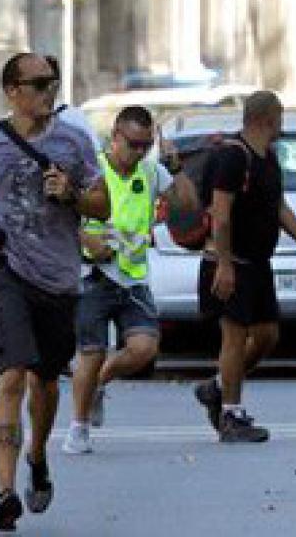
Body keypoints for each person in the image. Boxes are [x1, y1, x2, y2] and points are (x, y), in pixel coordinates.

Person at [0, 53, 108, 532]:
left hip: (59, 277)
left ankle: (37, 455)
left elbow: (103, 204)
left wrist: (72, 192)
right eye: (38, 84)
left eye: (52, 83)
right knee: (11, 376)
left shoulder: (74, 140)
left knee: (46, 382)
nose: (48, 92)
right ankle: (5, 491)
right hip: (7, 270)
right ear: (12, 90)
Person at [193, 91, 296, 443]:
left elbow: (279, 208)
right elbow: (221, 215)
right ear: (266, 118)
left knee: (268, 335)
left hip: (257, 264)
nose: (282, 122)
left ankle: (215, 387)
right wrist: (224, 265)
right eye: (280, 116)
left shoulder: (268, 158)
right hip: (229, 263)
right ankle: (231, 415)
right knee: (235, 337)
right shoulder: (233, 157)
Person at [64, 106, 198, 455]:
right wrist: (84, 238)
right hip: (93, 274)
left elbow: (188, 205)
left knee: (144, 349)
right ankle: (78, 428)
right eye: (134, 145)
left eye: (146, 145)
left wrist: (175, 165)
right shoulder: (90, 169)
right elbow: (59, 213)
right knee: (90, 355)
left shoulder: (152, 171)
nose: (139, 152)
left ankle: (98, 384)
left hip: (133, 277)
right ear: (115, 138)